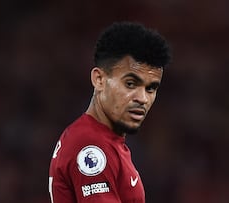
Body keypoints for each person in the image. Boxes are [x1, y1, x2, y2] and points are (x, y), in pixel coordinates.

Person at [48, 21, 171, 203]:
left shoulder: (101, 140)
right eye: (130, 84)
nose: (142, 98)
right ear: (99, 79)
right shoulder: (91, 147)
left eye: (151, 88)